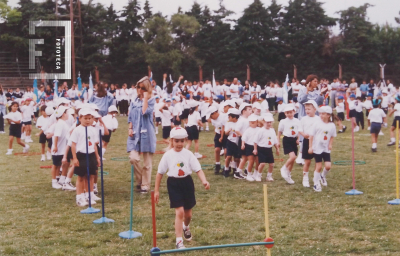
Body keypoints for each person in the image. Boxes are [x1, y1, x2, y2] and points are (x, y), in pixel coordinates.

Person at [154, 127, 210, 250]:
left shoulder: (188, 154)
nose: (179, 144)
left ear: (185, 140)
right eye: (176, 141)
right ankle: (179, 242)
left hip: (187, 183)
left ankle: (186, 226)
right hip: (173, 184)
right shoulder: (168, 155)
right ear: (171, 141)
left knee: (188, 214)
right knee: (179, 212)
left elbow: (198, 169)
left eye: (182, 141)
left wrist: (204, 181)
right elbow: (160, 173)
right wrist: (156, 190)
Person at [127, 76, 156, 194]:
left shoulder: (151, 100)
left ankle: (145, 185)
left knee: (147, 163)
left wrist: (145, 98)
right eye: (138, 87)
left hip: (147, 133)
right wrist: (130, 127)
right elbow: (130, 116)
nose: (140, 90)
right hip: (134, 133)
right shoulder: (133, 101)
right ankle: (140, 180)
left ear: (147, 88)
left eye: (143, 88)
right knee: (133, 158)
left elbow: (145, 112)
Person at [70, 108, 101, 206]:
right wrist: (75, 158)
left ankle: (89, 195)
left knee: (91, 176)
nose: (88, 120)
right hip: (81, 155)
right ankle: (79, 197)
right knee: (81, 177)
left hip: (91, 155)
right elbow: (73, 145)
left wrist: (97, 157)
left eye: (90, 118)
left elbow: (94, 145)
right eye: (85, 118)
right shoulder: (77, 130)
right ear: (80, 118)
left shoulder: (93, 130)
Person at [308, 106, 336, 192]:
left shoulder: (332, 125)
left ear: (328, 115)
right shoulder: (317, 123)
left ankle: (322, 176)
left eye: (323, 114)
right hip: (317, 148)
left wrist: (330, 144)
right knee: (319, 166)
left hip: (326, 148)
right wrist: (310, 147)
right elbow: (311, 136)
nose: (321, 115)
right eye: (320, 113)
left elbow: (332, 136)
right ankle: (316, 183)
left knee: (328, 166)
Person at [298, 100, 320, 188]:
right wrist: (303, 134)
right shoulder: (303, 119)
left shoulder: (318, 119)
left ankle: (316, 179)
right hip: (307, 141)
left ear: (315, 109)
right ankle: (305, 178)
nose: (307, 111)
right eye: (306, 109)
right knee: (307, 161)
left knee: (317, 161)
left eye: (309, 109)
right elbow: (300, 129)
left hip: (316, 142)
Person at [278, 104, 301, 184]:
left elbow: (299, 131)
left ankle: (288, 174)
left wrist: (298, 139)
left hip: (294, 140)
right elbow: (279, 131)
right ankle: (283, 168)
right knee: (292, 156)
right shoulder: (283, 121)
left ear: (294, 112)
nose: (289, 114)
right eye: (287, 113)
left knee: (293, 159)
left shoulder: (297, 121)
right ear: (285, 113)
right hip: (287, 139)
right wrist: (278, 141)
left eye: (291, 112)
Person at [50, 106, 70, 189]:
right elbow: (56, 135)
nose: (68, 114)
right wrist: (55, 146)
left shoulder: (63, 123)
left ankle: (59, 180)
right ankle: (54, 181)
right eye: (66, 112)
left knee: (59, 165)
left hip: (62, 148)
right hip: (58, 148)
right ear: (63, 114)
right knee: (55, 165)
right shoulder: (60, 123)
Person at [254, 114, 279, 181]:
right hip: (261, 149)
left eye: (270, 122)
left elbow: (274, 141)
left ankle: (269, 176)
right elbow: (255, 141)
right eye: (267, 122)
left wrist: (277, 149)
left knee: (271, 164)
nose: (269, 124)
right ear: (264, 122)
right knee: (262, 163)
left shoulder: (272, 130)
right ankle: (258, 175)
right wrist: (255, 149)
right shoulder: (261, 131)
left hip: (269, 149)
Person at [239, 114, 260, 181]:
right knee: (251, 161)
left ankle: (256, 173)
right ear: (249, 123)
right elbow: (244, 138)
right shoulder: (247, 130)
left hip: (257, 146)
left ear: (257, 122)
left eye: (254, 122)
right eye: (251, 122)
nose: (252, 123)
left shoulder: (259, 130)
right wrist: (243, 144)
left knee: (258, 161)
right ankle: (249, 174)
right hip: (249, 146)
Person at [206, 106, 226, 174]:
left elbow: (224, 127)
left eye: (211, 116)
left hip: (224, 135)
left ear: (214, 113)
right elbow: (216, 126)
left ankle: (227, 166)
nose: (211, 118)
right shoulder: (213, 120)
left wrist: (222, 137)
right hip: (218, 134)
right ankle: (217, 164)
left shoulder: (223, 117)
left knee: (226, 151)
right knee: (217, 149)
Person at [223, 108, 241, 178]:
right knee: (229, 156)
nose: (228, 118)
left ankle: (237, 169)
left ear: (234, 117)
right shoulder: (228, 123)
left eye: (229, 116)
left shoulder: (239, 123)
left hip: (237, 142)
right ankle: (226, 169)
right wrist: (228, 131)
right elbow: (225, 133)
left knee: (237, 158)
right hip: (230, 141)